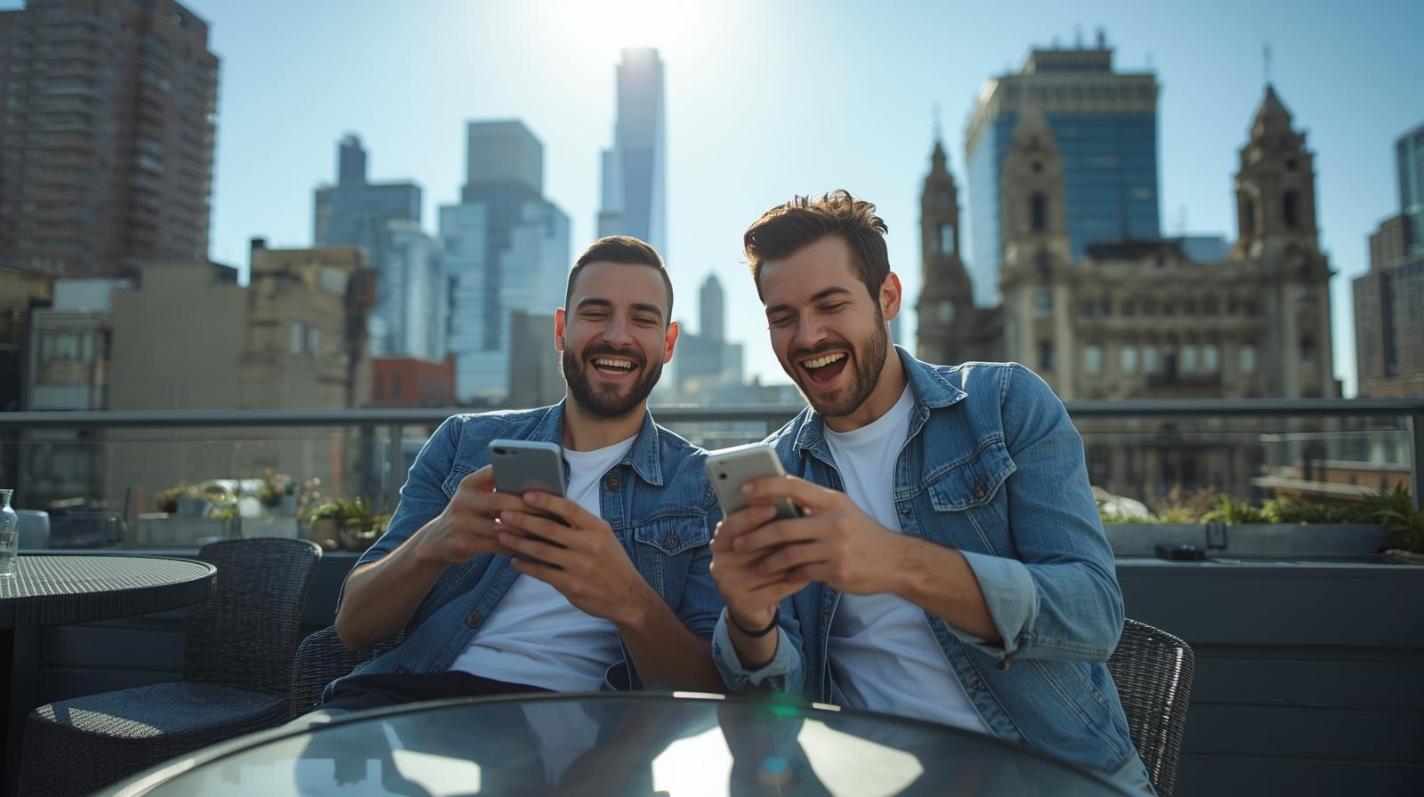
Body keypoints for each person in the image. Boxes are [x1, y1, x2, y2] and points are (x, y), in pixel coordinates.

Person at [708, 191, 1154, 793]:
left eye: (831, 305)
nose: (808, 336)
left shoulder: (1005, 406)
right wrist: (751, 621)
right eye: (783, 317)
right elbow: (774, 703)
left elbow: (1092, 615)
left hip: (1050, 778)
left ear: (887, 298)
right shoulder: (777, 470)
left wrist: (896, 563)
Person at [321, 236, 723, 715]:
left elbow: (708, 690)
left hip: (584, 725)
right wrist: (434, 543)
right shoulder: (463, 442)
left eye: (642, 319)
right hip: (413, 701)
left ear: (668, 343)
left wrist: (629, 599)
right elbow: (354, 626)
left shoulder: (701, 487)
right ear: (561, 330)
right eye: (595, 313)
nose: (617, 336)